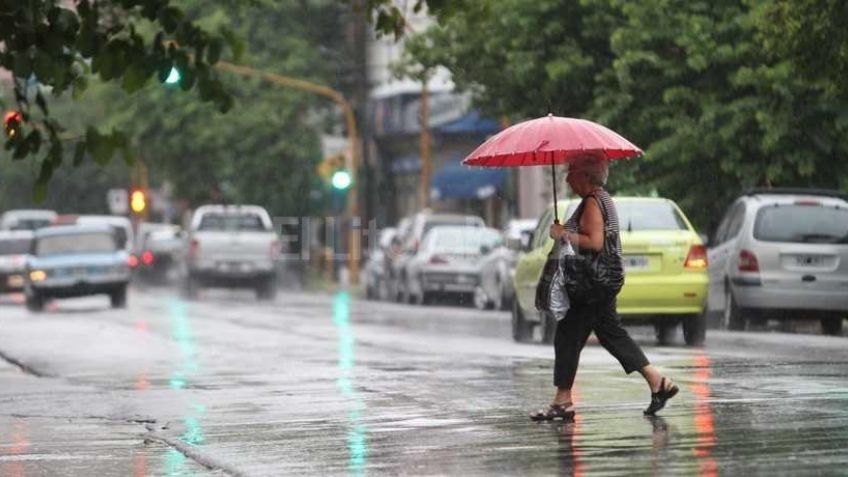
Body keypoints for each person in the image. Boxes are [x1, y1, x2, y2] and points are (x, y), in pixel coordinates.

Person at [531, 154, 678, 421]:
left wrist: (563, 234)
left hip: (590, 284)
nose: (567, 178)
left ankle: (563, 400)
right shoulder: (603, 198)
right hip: (601, 281)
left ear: (585, 175)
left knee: (567, 337)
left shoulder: (592, 202)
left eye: (572, 172)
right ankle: (658, 382)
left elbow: (595, 242)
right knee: (611, 334)